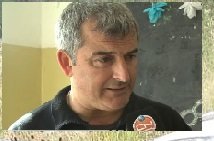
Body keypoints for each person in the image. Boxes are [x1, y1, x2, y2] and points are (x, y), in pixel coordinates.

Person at [9, 2, 191, 131]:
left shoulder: (168, 121)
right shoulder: (25, 132)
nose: (124, 76)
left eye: (130, 56)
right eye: (104, 60)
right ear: (67, 63)